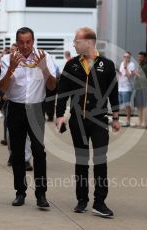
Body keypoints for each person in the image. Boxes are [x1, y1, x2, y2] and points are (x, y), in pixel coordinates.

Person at [56, 27, 120, 217]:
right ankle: (82, 199)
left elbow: (113, 93)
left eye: (77, 41)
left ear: (88, 43)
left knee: (100, 160)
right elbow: (62, 93)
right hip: (78, 120)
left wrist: (116, 117)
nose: (74, 44)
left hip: (99, 120)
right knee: (81, 160)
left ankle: (99, 202)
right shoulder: (71, 65)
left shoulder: (106, 65)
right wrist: (59, 115)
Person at [0, 27, 57, 208]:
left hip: (36, 109)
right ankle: (20, 192)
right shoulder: (7, 59)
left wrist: (44, 69)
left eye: (28, 42)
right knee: (17, 153)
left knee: (39, 152)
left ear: (33, 41)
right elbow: (2, 88)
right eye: (21, 42)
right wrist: (11, 69)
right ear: (16, 42)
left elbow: (53, 86)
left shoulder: (44, 56)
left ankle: (41, 194)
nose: (25, 46)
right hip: (15, 109)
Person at [133, 51, 147, 128]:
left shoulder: (146, 67)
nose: (139, 58)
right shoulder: (140, 66)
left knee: (143, 106)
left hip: (143, 89)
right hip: (138, 88)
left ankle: (144, 123)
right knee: (138, 106)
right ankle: (140, 122)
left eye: (141, 57)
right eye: (139, 57)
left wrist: (136, 73)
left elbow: (144, 79)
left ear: (145, 58)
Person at [118, 51, 135, 127]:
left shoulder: (132, 65)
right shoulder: (122, 63)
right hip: (120, 87)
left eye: (127, 57)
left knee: (127, 104)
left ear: (130, 58)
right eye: (124, 57)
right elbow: (122, 74)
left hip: (127, 88)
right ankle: (116, 119)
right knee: (118, 104)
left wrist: (125, 67)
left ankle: (128, 121)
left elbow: (128, 76)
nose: (126, 58)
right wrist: (118, 72)